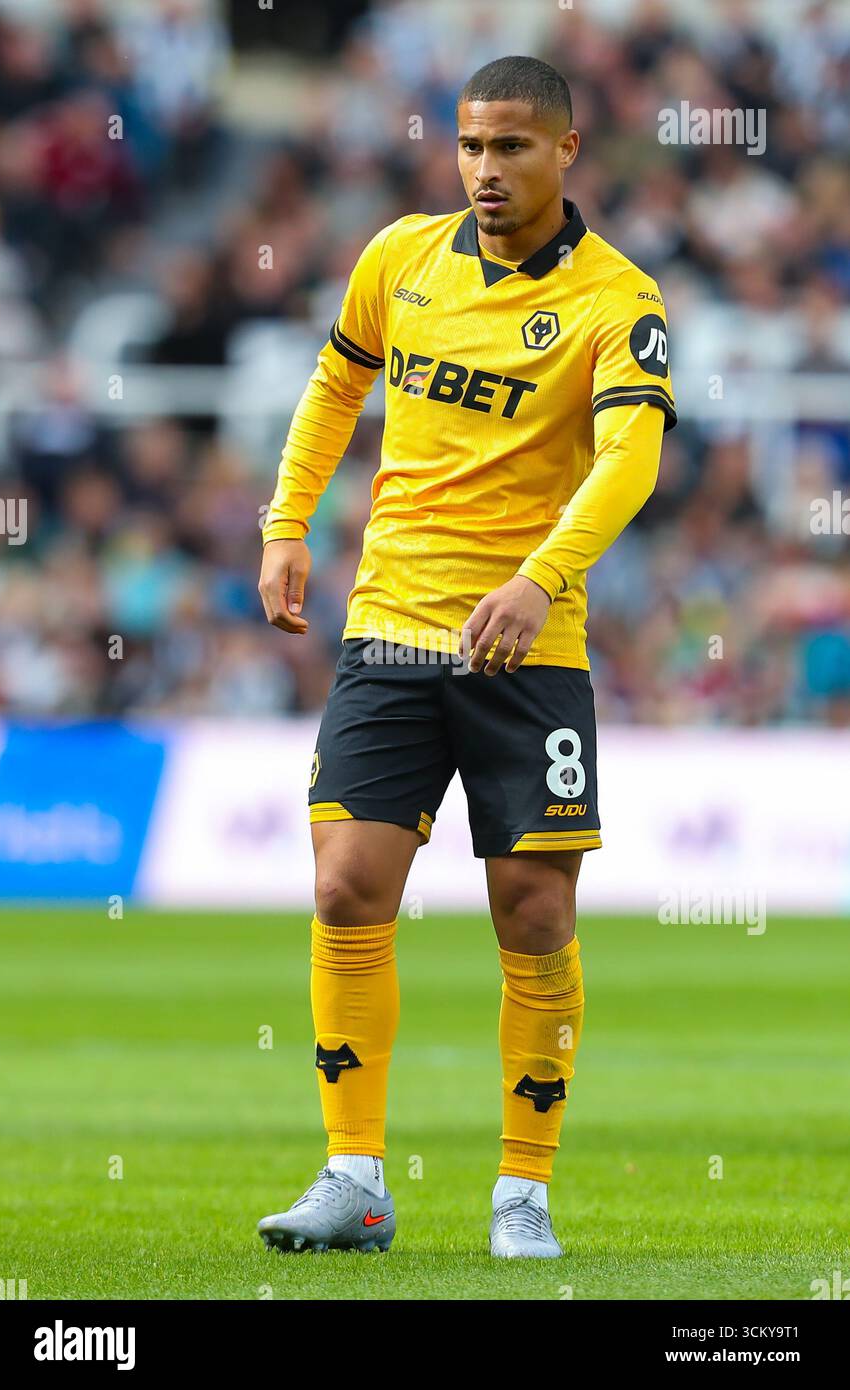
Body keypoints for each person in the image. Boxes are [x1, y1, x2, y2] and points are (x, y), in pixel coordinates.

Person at [256, 55, 675, 1258]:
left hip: (528, 648)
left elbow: (628, 460)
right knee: (343, 886)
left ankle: (521, 1188)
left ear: (564, 153)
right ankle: (352, 1175)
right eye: (470, 147)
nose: (486, 171)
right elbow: (333, 389)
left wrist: (539, 578)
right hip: (389, 623)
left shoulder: (614, 300)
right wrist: (289, 524)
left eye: (511, 149)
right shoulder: (399, 257)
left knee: (532, 910)